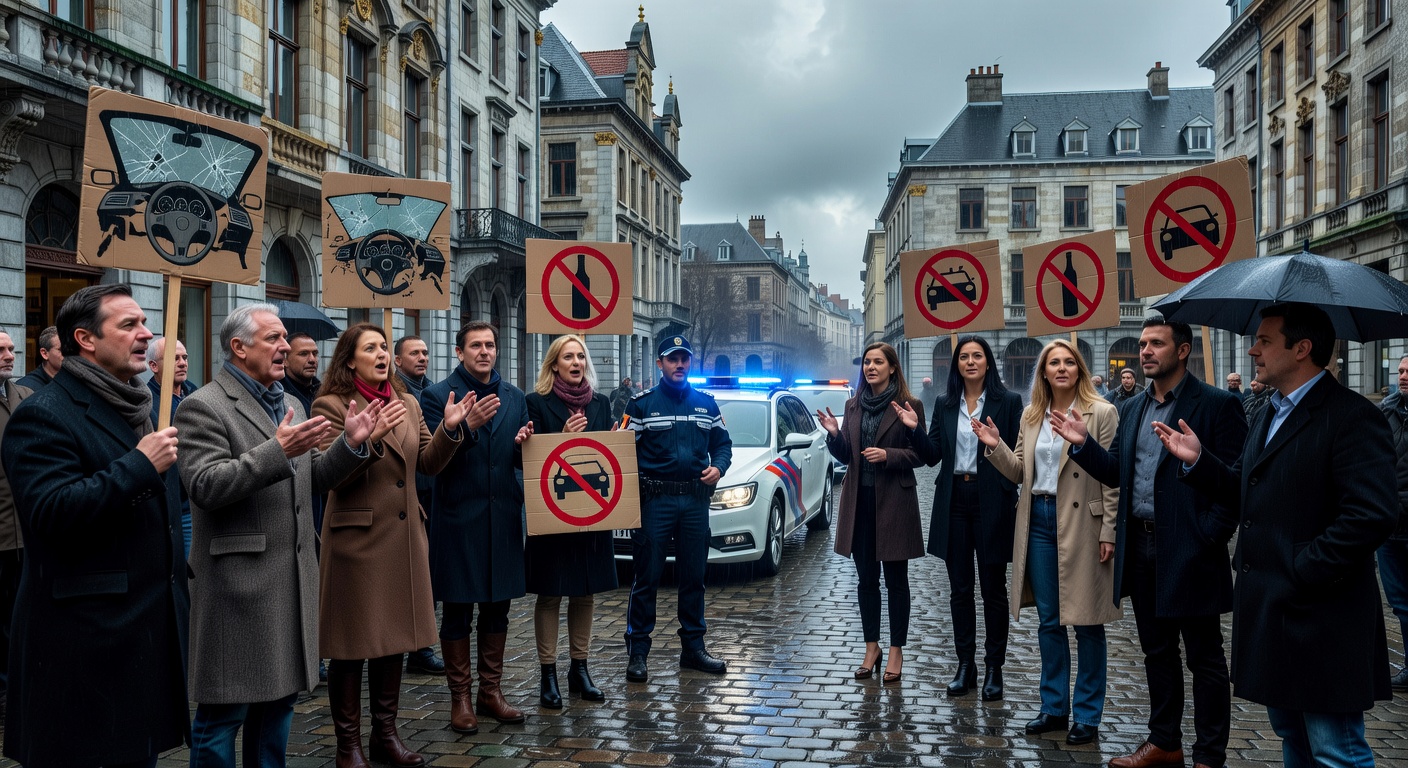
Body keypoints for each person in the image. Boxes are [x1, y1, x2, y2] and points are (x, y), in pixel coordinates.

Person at [1156, 302, 1396, 767]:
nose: (1252, 352)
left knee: (1334, 749)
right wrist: (1199, 461)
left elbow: (1372, 515)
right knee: (1293, 737)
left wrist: (1302, 568)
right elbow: (1249, 490)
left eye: (1265, 341)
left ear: (1302, 349)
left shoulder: (1351, 416)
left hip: (1321, 615)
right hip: (1271, 609)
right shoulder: (1268, 412)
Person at [175, 306, 381, 768]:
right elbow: (205, 486)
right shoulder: (203, 405)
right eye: (274, 338)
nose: (286, 346)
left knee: (278, 710)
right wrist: (278, 450)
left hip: (291, 581)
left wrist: (350, 445)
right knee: (223, 716)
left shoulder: (288, 401)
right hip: (237, 586)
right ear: (239, 347)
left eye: (285, 338)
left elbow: (308, 481)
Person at [1, 283, 188, 768]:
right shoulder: (43, 415)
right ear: (85, 339)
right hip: (83, 647)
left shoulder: (140, 408)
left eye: (145, 323)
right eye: (129, 325)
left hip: (139, 639)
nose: (146, 334)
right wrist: (139, 467)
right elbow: (51, 513)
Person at [1053, 317, 1247, 768]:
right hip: (1139, 548)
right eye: (1142, 344)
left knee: (1205, 659)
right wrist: (1083, 445)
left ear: (1182, 351)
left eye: (1155, 344)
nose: (1144, 351)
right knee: (1156, 651)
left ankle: (1209, 756)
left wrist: (1208, 537)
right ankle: (1165, 743)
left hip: (1191, 549)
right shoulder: (1135, 406)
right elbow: (1117, 470)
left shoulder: (1218, 405)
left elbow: (1236, 486)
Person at [315, 323, 472, 768]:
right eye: (372, 349)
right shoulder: (330, 405)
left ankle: (386, 735)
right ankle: (349, 746)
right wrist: (364, 436)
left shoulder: (407, 402)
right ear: (350, 360)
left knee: (394, 642)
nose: (383, 354)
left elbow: (427, 463)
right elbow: (332, 477)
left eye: (385, 347)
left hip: (404, 540)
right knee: (352, 646)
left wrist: (450, 430)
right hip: (356, 541)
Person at [976, 338, 1120, 746]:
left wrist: (1109, 530)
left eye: (1068, 362)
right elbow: (1021, 471)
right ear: (1043, 372)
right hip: (1037, 518)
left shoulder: (1102, 412)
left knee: (1088, 622)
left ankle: (1088, 715)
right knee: (1050, 621)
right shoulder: (1031, 414)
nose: (1060, 368)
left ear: (1079, 369)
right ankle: (1054, 707)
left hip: (1083, 524)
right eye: (1053, 363)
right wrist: (995, 446)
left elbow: (1113, 477)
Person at [422, 321, 534, 734]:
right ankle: (461, 699)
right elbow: (432, 461)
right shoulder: (437, 396)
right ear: (459, 352)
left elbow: (519, 462)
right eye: (475, 346)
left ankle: (491, 692)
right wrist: (463, 427)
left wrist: (526, 444)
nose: (484, 352)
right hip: (457, 518)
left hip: (502, 517)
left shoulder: (515, 397)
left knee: (497, 609)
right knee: (456, 612)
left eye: (490, 344)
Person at [622, 335, 733, 683]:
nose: (680, 364)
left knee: (694, 578)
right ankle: (638, 653)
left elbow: (723, 445)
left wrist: (719, 467)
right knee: (647, 577)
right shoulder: (640, 405)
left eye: (684, 358)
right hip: (656, 501)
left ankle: (693, 649)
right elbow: (621, 450)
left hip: (696, 500)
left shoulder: (707, 404)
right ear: (660, 364)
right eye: (672, 359)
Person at [818, 341, 926, 685]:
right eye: (867, 362)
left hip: (895, 502)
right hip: (859, 502)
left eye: (878, 362)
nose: (871, 367)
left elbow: (921, 455)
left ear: (892, 367)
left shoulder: (910, 405)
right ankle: (871, 647)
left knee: (896, 582)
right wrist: (835, 436)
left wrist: (888, 455)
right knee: (866, 581)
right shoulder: (852, 406)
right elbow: (847, 456)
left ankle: (896, 650)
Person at [919, 336, 1021, 700]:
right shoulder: (946, 404)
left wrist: (995, 443)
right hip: (954, 501)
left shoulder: (1008, 402)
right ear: (957, 364)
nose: (971, 361)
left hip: (992, 499)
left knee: (993, 589)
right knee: (960, 590)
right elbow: (932, 454)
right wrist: (914, 428)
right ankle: (966, 665)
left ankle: (995, 667)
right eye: (964, 356)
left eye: (978, 356)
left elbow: (1017, 463)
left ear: (988, 363)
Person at [522, 335, 617, 708]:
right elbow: (528, 459)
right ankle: (548, 673)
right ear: (554, 364)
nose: (576, 362)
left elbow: (603, 459)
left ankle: (580, 668)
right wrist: (560, 439)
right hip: (554, 511)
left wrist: (614, 443)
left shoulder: (601, 402)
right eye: (568, 356)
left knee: (585, 591)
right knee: (550, 593)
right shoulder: (536, 403)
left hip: (592, 513)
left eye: (581, 356)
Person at [393, 334, 445, 677]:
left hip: (429, 491)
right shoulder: (398, 393)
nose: (423, 357)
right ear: (398, 360)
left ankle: (421, 646)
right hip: (404, 494)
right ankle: (408, 645)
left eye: (425, 352)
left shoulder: (432, 392)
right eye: (415, 353)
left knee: (425, 575)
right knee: (405, 576)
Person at [0, 331, 31, 713]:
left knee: (19, 616)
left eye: (10, 349)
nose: (10, 356)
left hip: (27, 530)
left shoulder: (25, 397)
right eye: (2, 350)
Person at [147, 336, 198, 556]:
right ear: (153, 366)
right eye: (174, 358)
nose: (182, 362)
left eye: (185, 357)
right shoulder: (146, 401)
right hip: (173, 504)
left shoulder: (194, 394)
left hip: (198, 500)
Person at [1379, 356, 1408, 693]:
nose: (1403, 376)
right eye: (1400, 371)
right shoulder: (1386, 410)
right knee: (1400, 602)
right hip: (1391, 524)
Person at [284, 332, 323, 417]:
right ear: (285, 361)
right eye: (303, 354)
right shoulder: (277, 395)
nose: (312, 360)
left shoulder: (324, 392)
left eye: (315, 353)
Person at [15, 324, 61, 390]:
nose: (69, 353)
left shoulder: (75, 383)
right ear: (44, 353)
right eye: (62, 350)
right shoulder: (25, 388)